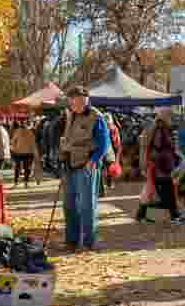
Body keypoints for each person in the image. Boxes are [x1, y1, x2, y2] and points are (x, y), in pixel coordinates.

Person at [60, 85, 109, 252]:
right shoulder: (69, 115)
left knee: (87, 205)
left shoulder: (97, 116)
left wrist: (93, 161)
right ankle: (71, 241)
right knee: (69, 205)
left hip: (86, 164)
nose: (76, 106)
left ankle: (89, 241)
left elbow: (104, 143)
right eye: (73, 103)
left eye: (80, 102)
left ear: (86, 100)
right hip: (69, 164)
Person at [147, 108, 185, 225]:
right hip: (162, 166)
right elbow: (158, 146)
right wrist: (169, 152)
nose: (171, 119)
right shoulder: (160, 130)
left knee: (168, 191)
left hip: (164, 166)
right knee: (167, 192)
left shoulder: (163, 129)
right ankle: (174, 216)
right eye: (169, 116)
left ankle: (175, 214)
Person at [10, 119, 37, 187]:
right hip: (28, 152)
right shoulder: (30, 131)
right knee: (27, 168)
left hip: (19, 152)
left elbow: (13, 142)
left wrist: (14, 149)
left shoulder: (17, 131)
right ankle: (26, 182)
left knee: (17, 167)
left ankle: (16, 182)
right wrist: (34, 152)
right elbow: (33, 142)